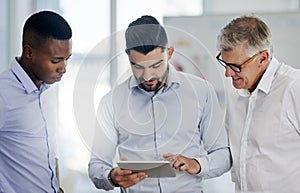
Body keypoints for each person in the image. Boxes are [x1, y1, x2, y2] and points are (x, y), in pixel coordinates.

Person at [88, 15, 231, 193]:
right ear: (127, 56)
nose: (147, 77)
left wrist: (197, 164)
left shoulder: (202, 91)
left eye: (156, 66)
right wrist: (111, 177)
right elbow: (96, 165)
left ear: (169, 53)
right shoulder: (111, 102)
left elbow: (223, 155)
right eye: (138, 66)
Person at [216, 15, 300, 193]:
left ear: (262, 58)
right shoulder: (235, 93)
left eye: (236, 66)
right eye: (225, 64)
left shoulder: (294, 87)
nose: (228, 74)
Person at [0, 11, 72, 193]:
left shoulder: (47, 91)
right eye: (56, 60)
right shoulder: (3, 93)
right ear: (29, 52)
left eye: (67, 59)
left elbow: (51, 152)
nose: (63, 69)